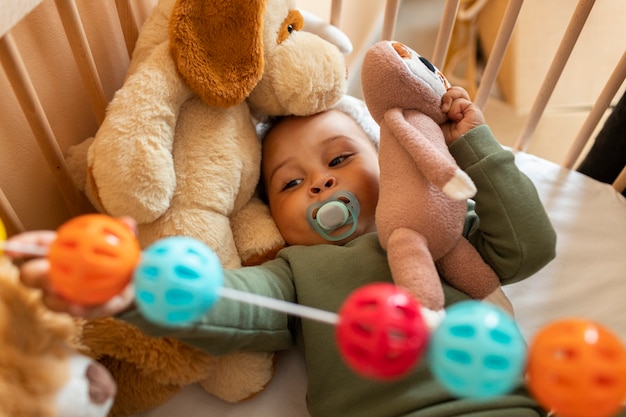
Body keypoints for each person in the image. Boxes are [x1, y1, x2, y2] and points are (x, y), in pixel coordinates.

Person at [8, 87, 557, 417]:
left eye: (339, 159)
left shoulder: (441, 227)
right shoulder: (297, 270)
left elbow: (529, 245)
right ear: (274, 219)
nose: (318, 183)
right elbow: (233, 304)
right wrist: (139, 286)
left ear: (390, 167)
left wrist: (475, 146)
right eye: (289, 185)